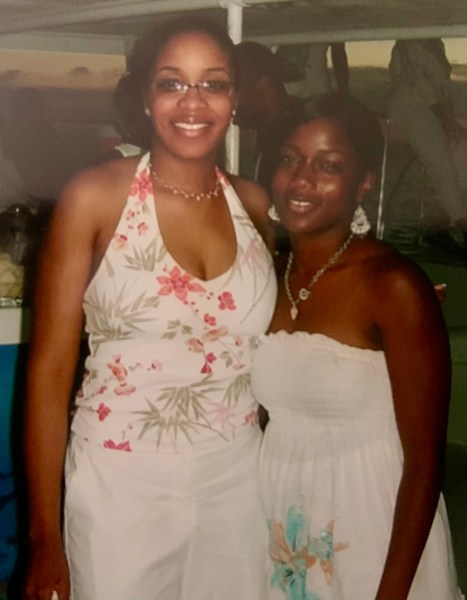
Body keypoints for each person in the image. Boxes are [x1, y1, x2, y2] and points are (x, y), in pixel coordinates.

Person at [22, 15, 277, 600]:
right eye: (172, 83)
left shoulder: (255, 204)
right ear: (145, 97)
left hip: (239, 479)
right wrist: (43, 537)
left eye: (213, 84)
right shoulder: (94, 198)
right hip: (120, 482)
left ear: (235, 99)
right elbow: (50, 371)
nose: (193, 102)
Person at [250, 92, 463, 599]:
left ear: (363, 181)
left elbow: (424, 461)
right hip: (285, 520)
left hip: (371, 526)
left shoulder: (393, 285)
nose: (302, 180)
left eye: (328, 165)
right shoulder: (264, 276)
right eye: (289, 159)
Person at [387, 38, 467, 252]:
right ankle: (461, 225)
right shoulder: (409, 43)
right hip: (410, 108)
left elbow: (441, 89)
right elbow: (421, 88)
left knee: (462, 157)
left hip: (437, 110)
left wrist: (450, 117)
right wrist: (446, 118)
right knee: (443, 167)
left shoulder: (436, 42)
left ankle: (440, 223)